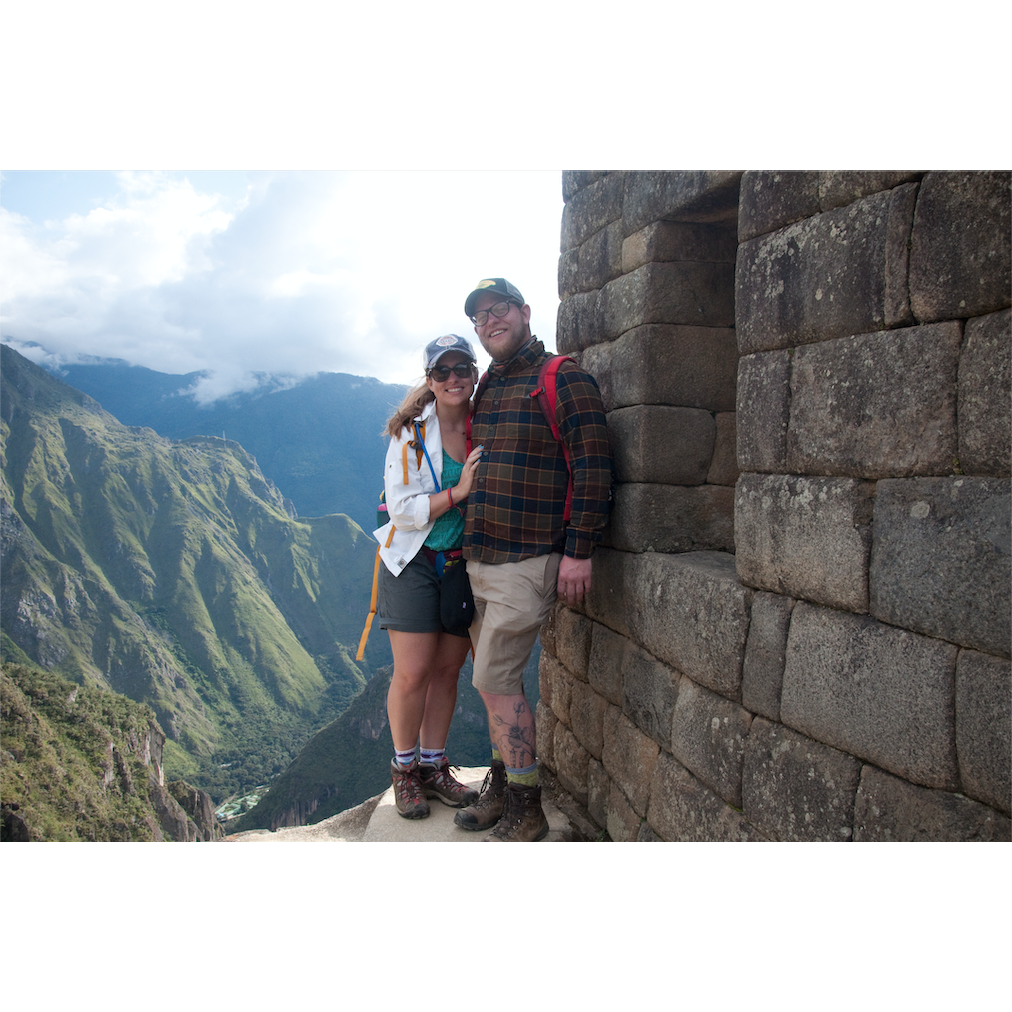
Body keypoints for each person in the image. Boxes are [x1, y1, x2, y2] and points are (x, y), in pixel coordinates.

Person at [453, 278, 613, 841]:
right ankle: (502, 786)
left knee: (494, 681)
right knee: (496, 683)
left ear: (524, 312)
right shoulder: (491, 385)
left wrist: (578, 552)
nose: (489, 322)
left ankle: (526, 807)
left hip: (528, 558)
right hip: (482, 557)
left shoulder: (562, 379)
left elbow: (593, 466)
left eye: (498, 310)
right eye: (479, 317)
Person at [374, 334, 486, 819]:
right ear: (430, 380)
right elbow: (401, 509)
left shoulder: (488, 422)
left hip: (463, 562)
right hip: (414, 560)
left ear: (475, 373)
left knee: (446, 670)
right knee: (413, 671)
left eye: (462, 368)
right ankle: (404, 770)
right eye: (443, 372)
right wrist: (459, 492)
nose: (453, 378)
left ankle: (434, 765)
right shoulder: (410, 433)